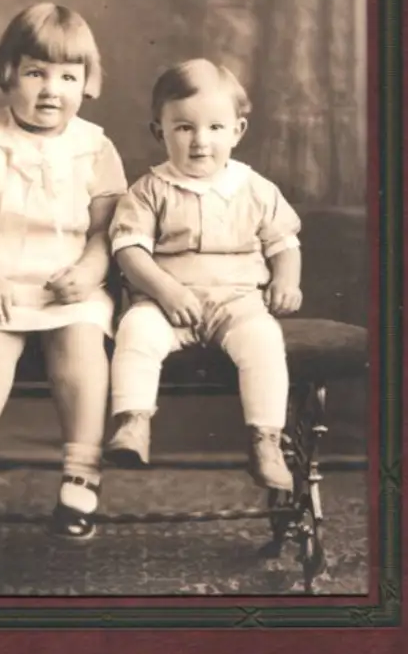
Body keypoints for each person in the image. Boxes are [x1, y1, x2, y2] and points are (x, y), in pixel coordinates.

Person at [0, 3, 127, 544]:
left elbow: (105, 231)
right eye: (36, 72)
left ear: (88, 83)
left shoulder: (95, 146)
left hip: (69, 279)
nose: (50, 89)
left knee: (83, 343)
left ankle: (80, 478)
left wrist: (90, 270)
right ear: (7, 73)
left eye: (68, 76)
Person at [106, 58, 302, 490]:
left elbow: (283, 244)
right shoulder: (149, 190)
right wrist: (166, 290)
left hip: (238, 304)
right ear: (160, 131)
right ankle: (133, 421)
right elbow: (129, 250)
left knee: (264, 342)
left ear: (238, 131)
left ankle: (266, 440)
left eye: (215, 127)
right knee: (136, 332)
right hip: (165, 303)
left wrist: (286, 280)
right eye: (183, 127)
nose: (200, 141)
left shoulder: (255, 189)